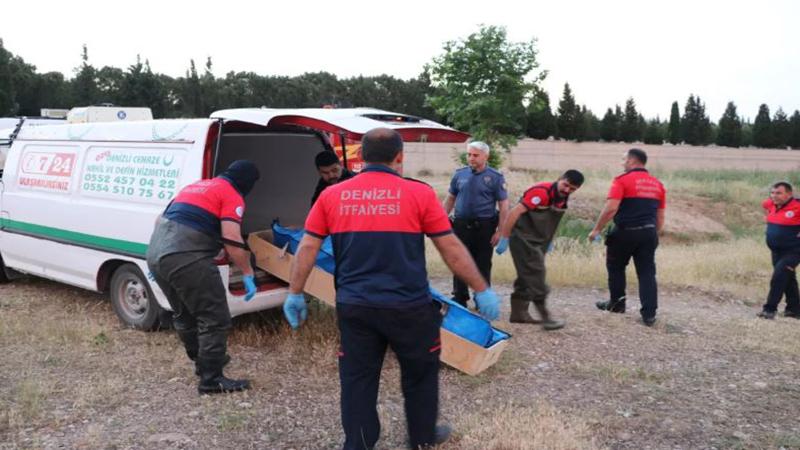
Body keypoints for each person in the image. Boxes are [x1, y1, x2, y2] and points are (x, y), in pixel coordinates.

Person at [285, 128, 500, 450]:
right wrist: (480, 288)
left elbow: (307, 247)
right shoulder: (420, 193)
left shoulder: (332, 195)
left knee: (358, 379)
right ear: (400, 156)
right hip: (409, 309)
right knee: (420, 375)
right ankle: (421, 438)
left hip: (355, 308)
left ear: (360, 158)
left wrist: (294, 292)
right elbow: (450, 247)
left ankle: (358, 442)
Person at [146, 160, 260, 395]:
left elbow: (159, 220)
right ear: (247, 183)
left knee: (184, 313)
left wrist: (163, 254)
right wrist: (248, 272)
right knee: (214, 317)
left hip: (156, 253)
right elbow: (232, 238)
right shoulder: (232, 194)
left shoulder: (196, 186)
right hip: (186, 257)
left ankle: (202, 362)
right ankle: (211, 379)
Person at [496, 170, 584, 330]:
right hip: (522, 239)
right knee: (536, 274)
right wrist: (504, 237)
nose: (567, 190)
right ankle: (546, 317)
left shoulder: (562, 199)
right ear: (559, 179)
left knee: (526, 275)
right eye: (565, 185)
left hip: (539, 241)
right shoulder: (541, 192)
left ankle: (519, 314)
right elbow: (514, 212)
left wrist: (549, 241)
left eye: (572, 189)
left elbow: (552, 222)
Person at [589, 148, 665, 327]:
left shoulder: (622, 180)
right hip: (649, 232)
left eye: (624, 159)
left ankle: (617, 304)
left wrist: (596, 230)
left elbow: (611, 208)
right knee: (647, 272)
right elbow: (660, 216)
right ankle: (649, 314)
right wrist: (654, 234)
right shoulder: (657, 184)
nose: (622, 163)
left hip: (625, 232)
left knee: (615, 267)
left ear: (632, 161)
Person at [443, 141, 509, 307]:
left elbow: (503, 204)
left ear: (486, 156)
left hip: (484, 227)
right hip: (461, 225)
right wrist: (441, 219)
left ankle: (482, 299)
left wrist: (500, 231)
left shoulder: (495, 177)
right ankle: (459, 297)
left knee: (483, 264)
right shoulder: (460, 175)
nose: (471, 158)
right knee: (459, 261)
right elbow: (450, 198)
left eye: (475, 155)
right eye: (469, 154)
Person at [757, 181, 800, 319]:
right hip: (776, 251)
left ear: (789, 194)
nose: (774, 196)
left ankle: (769, 309)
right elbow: (765, 205)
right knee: (788, 278)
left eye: (779, 193)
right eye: (772, 193)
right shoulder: (770, 204)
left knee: (779, 277)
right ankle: (794, 310)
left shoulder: (797, 206)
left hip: (794, 250)